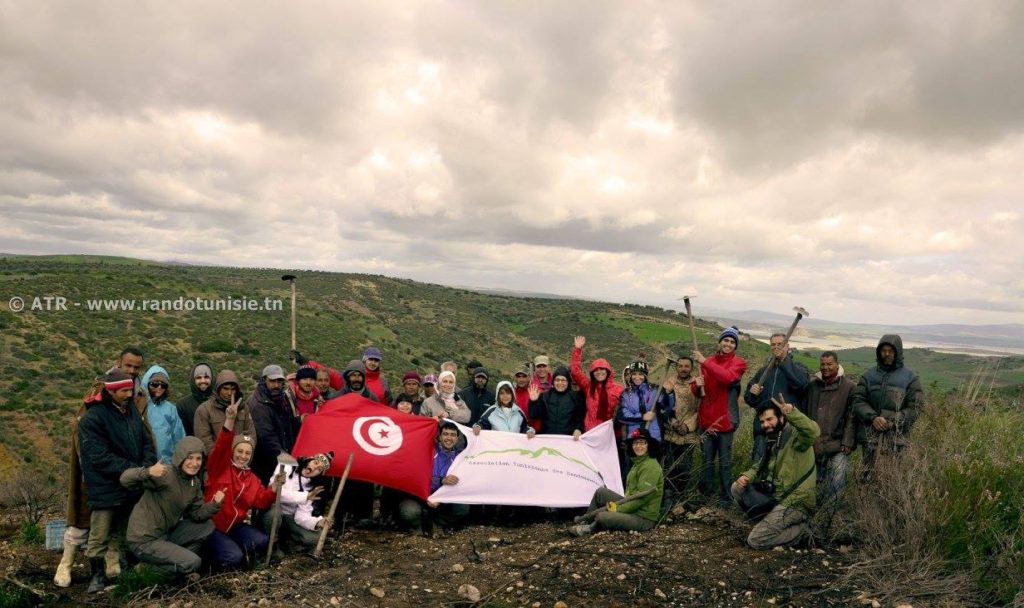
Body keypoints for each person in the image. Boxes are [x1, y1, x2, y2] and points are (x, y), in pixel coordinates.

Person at [77, 369, 157, 593]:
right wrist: (135, 469)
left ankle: (125, 570)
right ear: (111, 391)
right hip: (105, 486)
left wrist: (146, 463)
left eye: (130, 390)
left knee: (125, 530)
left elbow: (145, 440)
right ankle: (96, 575)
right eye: (123, 390)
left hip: (131, 484)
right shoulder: (93, 418)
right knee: (99, 534)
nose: (129, 394)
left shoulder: (130, 409)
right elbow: (99, 457)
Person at [120, 437, 223, 576]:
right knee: (194, 562)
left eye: (198, 459)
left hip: (165, 534)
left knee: (207, 526)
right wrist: (148, 471)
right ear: (181, 457)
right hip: (144, 539)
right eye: (190, 458)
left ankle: (177, 565)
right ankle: (143, 572)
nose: (194, 463)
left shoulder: (194, 483)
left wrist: (215, 504)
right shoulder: (165, 474)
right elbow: (125, 479)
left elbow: (197, 514)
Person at [731, 400, 819, 549]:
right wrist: (746, 476)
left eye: (769, 419)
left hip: (797, 502)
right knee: (736, 488)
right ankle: (767, 524)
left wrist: (793, 413)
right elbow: (759, 466)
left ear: (781, 417)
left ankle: (802, 532)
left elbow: (813, 431)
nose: (765, 424)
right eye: (762, 421)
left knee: (755, 541)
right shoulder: (773, 439)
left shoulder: (797, 437)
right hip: (778, 498)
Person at [205, 400, 280, 569]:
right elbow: (221, 445)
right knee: (234, 557)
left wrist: (273, 488)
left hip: (234, 527)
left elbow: (261, 501)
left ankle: (231, 547)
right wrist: (229, 421)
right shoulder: (220, 466)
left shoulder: (252, 478)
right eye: (239, 451)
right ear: (233, 451)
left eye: (248, 453)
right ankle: (209, 559)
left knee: (262, 541)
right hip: (211, 526)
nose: (243, 456)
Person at [571, 429, 664, 535]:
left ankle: (589, 529)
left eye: (642, 443)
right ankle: (585, 522)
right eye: (635, 443)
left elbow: (641, 499)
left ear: (649, 445)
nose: (638, 446)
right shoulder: (638, 462)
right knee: (601, 493)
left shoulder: (650, 466)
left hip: (643, 517)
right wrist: (619, 508)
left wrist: (618, 509)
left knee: (602, 516)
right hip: (632, 508)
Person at [852, 335, 923, 472]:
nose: (887, 354)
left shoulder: (910, 378)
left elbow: (916, 407)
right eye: (883, 350)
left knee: (890, 477)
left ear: (898, 352)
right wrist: (873, 418)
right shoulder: (868, 375)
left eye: (891, 350)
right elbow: (858, 399)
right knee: (866, 477)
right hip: (870, 438)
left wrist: (892, 421)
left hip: (896, 439)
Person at [693, 327, 747, 506]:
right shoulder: (707, 362)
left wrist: (705, 363)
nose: (728, 344)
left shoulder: (738, 364)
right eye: (726, 340)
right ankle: (705, 495)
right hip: (707, 421)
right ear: (720, 341)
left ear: (735, 346)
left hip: (726, 422)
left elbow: (727, 378)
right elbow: (700, 392)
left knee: (724, 463)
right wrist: (696, 385)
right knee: (706, 461)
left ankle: (726, 498)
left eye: (732, 342)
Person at [744, 333, 810, 463]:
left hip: (787, 430)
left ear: (787, 346)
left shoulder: (798, 368)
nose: (776, 347)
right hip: (764, 430)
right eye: (773, 345)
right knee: (758, 468)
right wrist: (753, 393)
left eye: (780, 344)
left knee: (783, 470)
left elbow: (802, 385)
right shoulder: (763, 371)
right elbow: (749, 399)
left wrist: (784, 360)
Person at [397, 422, 469, 535]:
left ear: (457, 438)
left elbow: (461, 483)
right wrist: (440, 481)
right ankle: (417, 526)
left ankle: (438, 523)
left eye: (452, 435)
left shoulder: (459, 458)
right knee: (409, 511)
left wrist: (440, 497)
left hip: (443, 500)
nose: (449, 438)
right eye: (445, 434)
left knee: (462, 508)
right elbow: (416, 476)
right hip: (420, 496)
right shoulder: (426, 451)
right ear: (439, 437)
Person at [805, 352, 856, 500]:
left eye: (829, 364)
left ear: (837, 364)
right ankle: (810, 507)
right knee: (811, 481)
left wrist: (848, 441)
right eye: (822, 364)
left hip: (837, 443)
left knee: (838, 476)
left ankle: (830, 513)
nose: (825, 367)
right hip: (814, 443)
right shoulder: (812, 386)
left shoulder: (849, 387)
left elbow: (852, 416)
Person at [268, 452, 332, 551]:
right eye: (315, 463)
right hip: (272, 510)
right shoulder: (288, 465)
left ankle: (286, 537)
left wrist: (317, 522)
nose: (315, 468)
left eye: (319, 469)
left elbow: (301, 517)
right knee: (274, 513)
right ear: (309, 460)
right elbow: (276, 494)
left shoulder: (311, 488)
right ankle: (273, 545)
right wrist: (305, 497)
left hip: (289, 517)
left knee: (315, 537)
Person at [660, 357, 702, 508]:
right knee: (669, 467)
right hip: (671, 433)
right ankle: (667, 498)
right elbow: (663, 407)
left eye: (687, 366)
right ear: (676, 367)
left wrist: (688, 426)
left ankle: (680, 500)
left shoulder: (697, 385)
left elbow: (700, 409)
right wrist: (674, 423)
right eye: (680, 366)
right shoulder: (669, 384)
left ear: (691, 368)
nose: (683, 369)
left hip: (689, 435)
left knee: (685, 468)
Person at [248, 364, 299, 484]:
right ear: (264, 380)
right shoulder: (258, 404)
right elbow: (265, 436)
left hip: (282, 456)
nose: (276, 385)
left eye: (279, 381)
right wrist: (284, 457)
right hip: (266, 461)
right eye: (272, 381)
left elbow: (289, 425)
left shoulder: (282, 398)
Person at [570, 335, 624, 431]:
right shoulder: (589, 387)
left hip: (610, 433)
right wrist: (577, 349)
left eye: (602, 369)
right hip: (590, 432)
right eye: (596, 370)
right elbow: (575, 372)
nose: (599, 372)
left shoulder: (618, 389)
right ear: (592, 373)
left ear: (608, 371)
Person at [194, 370, 254, 454]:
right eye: (225, 389)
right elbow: (204, 440)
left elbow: (251, 434)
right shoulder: (204, 409)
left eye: (233, 389)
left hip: (240, 459)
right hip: (217, 461)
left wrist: (244, 455)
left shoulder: (243, 408)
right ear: (218, 388)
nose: (229, 393)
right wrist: (219, 459)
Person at [140, 365, 186, 464]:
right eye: (155, 384)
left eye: (163, 385)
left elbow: (178, 437)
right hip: (143, 464)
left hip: (166, 464)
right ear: (146, 384)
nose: (159, 388)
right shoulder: (138, 406)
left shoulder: (171, 409)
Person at [615, 357, 664, 442]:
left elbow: (667, 407)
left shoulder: (655, 389)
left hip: (654, 438)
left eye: (640, 374)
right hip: (634, 438)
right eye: (634, 374)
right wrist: (642, 417)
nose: (637, 377)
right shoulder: (626, 394)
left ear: (645, 375)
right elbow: (621, 416)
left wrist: (669, 393)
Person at [528, 367, 585, 438]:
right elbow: (534, 415)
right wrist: (533, 401)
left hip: (567, 439)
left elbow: (579, 418)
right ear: (553, 381)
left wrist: (578, 429)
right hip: (547, 438)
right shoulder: (545, 396)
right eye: (557, 380)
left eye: (563, 380)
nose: (560, 383)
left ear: (568, 381)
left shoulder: (575, 397)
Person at [175, 363, 214, 436]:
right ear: (193, 380)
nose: (203, 380)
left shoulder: (218, 402)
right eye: (198, 377)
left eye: (206, 377)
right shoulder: (183, 405)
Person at [511, 366, 540, 432]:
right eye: (519, 377)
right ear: (515, 378)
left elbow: (539, 415)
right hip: (515, 432)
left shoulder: (535, 392)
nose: (521, 380)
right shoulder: (511, 393)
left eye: (524, 376)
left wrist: (534, 429)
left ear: (529, 378)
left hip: (532, 433)